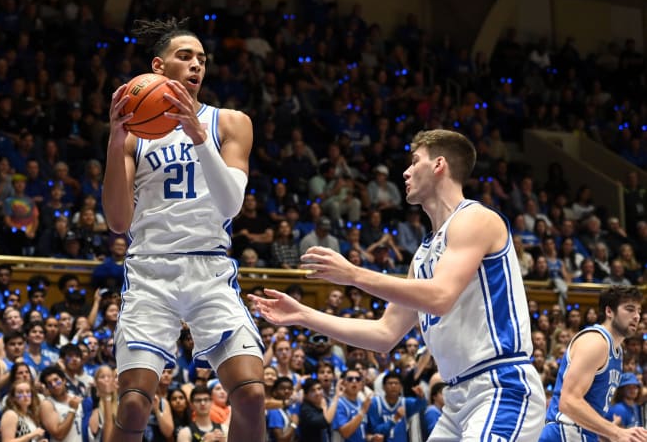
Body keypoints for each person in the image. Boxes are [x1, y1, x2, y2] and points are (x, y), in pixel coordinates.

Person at [250, 129, 546, 440]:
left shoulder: (475, 219)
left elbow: (441, 296)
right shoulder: (422, 256)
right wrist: (303, 315)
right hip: (458, 396)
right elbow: (384, 334)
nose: (405, 171)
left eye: (415, 161)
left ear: (439, 165)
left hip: (501, 386)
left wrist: (354, 274)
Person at [102, 17, 265, 442]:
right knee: (135, 404)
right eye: (185, 56)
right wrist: (114, 140)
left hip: (209, 268)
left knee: (250, 393)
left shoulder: (230, 123)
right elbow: (118, 221)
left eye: (202, 60)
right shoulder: (135, 135)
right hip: (150, 270)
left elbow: (231, 205)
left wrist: (198, 137)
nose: (196, 65)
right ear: (159, 67)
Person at [539, 285, 647, 441]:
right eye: (630, 309)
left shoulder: (617, 352)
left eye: (639, 311)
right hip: (564, 433)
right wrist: (616, 432)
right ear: (609, 311)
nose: (637, 316)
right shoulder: (595, 342)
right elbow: (568, 401)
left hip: (585, 435)